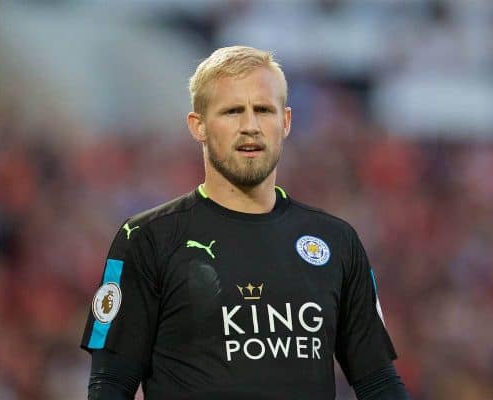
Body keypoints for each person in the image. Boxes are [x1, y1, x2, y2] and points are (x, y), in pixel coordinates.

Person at [81, 46, 410, 400]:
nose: (250, 126)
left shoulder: (336, 241)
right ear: (199, 126)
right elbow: (110, 384)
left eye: (263, 110)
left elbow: (379, 384)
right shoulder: (146, 239)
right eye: (232, 111)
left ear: (285, 122)